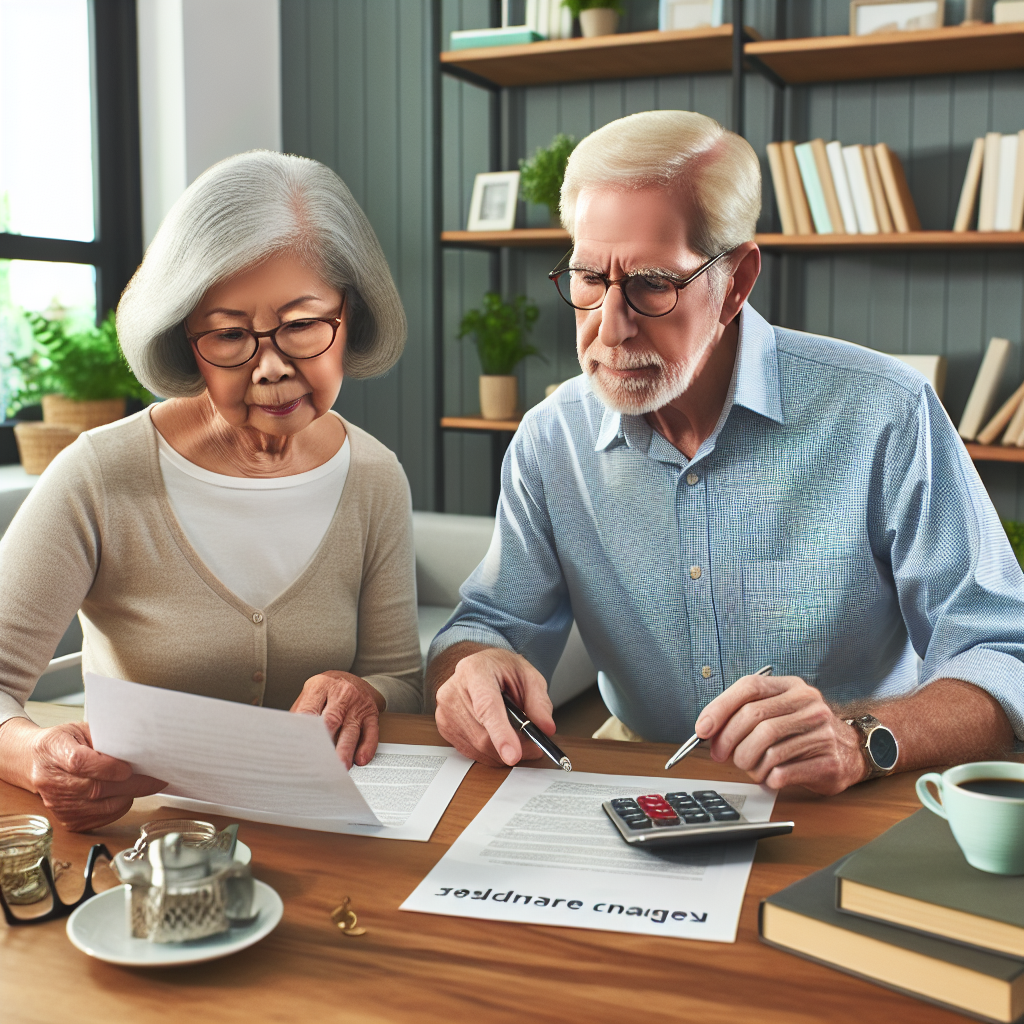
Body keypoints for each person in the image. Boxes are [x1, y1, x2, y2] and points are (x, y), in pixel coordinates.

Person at [428, 110, 1023, 795]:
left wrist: (862, 738)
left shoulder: (886, 411)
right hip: (643, 787)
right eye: (589, 278)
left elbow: (1004, 653)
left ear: (736, 282)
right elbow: (485, 627)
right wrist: (468, 670)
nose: (610, 328)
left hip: (859, 784)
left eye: (652, 283)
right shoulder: (549, 437)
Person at [0, 151, 422, 831]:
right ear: (185, 338)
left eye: (304, 325)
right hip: (147, 853)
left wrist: (361, 691)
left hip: (327, 845)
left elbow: (400, 679)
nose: (273, 367)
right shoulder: (100, 474)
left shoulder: (375, 476)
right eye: (230, 335)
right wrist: (33, 756)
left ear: (351, 315)